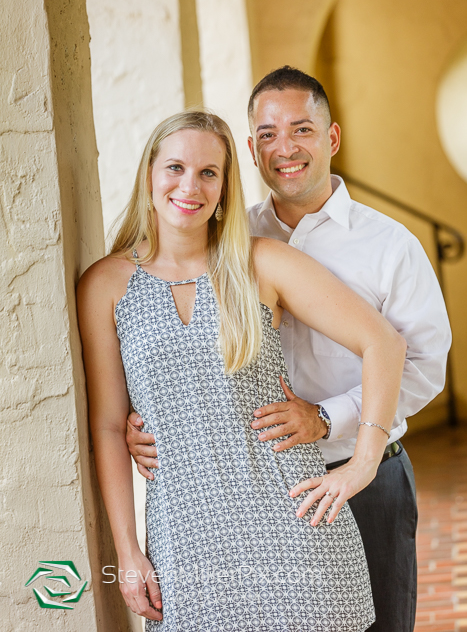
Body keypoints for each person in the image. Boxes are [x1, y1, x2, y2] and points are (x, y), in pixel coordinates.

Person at [127, 69, 452, 631]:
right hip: (264, 491)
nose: (286, 148)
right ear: (251, 151)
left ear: (331, 138)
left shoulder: (389, 244)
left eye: (301, 129)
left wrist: (329, 421)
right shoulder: (230, 240)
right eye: (268, 135)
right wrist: (150, 418)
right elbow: (180, 344)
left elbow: (421, 365)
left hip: (364, 474)